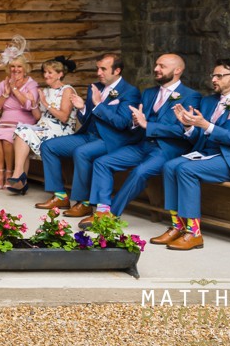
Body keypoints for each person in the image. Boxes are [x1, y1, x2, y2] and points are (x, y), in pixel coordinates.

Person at [154, 58, 230, 250]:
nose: (214, 79)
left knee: (186, 170)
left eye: (219, 76)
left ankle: (194, 233)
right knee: (170, 165)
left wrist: (207, 125)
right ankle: (177, 226)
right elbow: (197, 137)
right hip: (206, 155)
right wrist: (188, 126)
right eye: (213, 75)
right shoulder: (207, 102)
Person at [79, 53, 201, 228]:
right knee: (102, 162)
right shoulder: (149, 93)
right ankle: (102, 210)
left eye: (162, 66)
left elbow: (183, 130)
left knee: (140, 172)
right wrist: (136, 123)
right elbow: (135, 123)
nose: (156, 69)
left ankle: (111, 215)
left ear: (178, 70)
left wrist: (147, 125)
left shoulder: (191, 96)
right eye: (156, 65)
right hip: (142, 144)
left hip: (167, 149)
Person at [35, 53, 141, 219]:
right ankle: (60, 196)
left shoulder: (130, 92)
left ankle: (84, 203)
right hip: (89, 135)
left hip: (110, 140)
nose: (99, 72)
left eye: (103, 69)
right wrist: (83, 108)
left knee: (82, 152)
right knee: (48, 146)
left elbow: (122, 123)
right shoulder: (95, 87)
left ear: (117, 70)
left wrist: (98, 105)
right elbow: (87, 118)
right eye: (98, 68)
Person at [5, 56, 78, 196]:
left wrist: (45, 103)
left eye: (50, 72)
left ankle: (19, 180)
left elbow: (63, 117)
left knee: (24, 132)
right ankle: (19, 177)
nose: (46, 75)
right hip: (44, 127)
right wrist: (33, 103)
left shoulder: (67, 90)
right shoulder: (44, 91)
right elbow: (39, 117)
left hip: (61, 130)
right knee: (21, 130)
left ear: (60, 74)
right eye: (45, 72)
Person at [0, 36, 40, 190]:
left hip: (23, 123)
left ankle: (10, 173)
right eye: (12, 66)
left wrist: (14, 89)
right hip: (4, 122)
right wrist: (5, 94)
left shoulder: (31, 84)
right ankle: (1, 173)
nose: (15, 70)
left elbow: (29, 105)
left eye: (19, 67)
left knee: (8, 140)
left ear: (25, 68)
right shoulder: (3, 84)